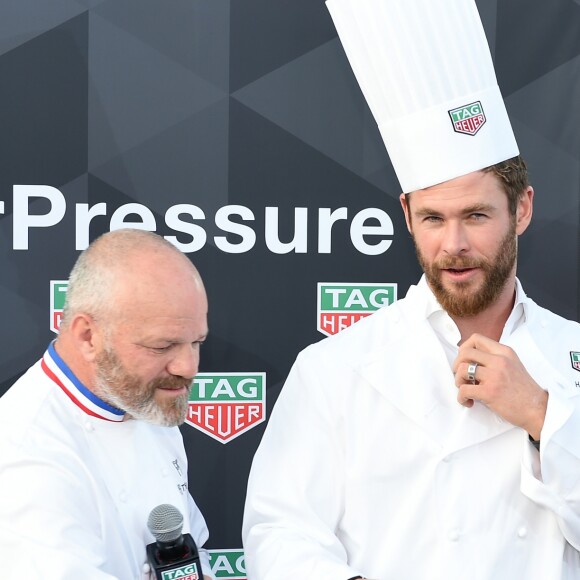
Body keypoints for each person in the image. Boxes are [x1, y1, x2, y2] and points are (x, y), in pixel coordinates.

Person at [242, 0, 580, 578]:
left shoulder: (570, 352)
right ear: (405, 213)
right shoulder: (335, 368)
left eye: (475, 216)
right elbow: (281, 532)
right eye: (432, 218)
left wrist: (541, 413)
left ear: (521, 209)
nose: (453, 245)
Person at [0, 229, 214, 579]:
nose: (188, 367)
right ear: (88, 336)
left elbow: (189, 549)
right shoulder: (25, 453)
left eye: (197, 342)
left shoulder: (144, 397)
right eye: (162, 346)